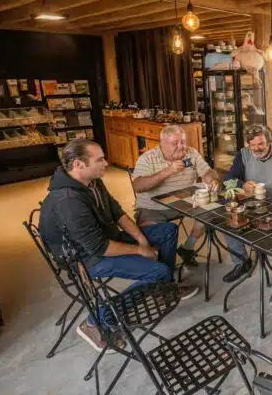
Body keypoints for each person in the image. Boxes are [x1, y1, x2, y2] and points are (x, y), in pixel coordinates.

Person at [39, 139, 199, 353]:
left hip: (105, 240)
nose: (106, 163)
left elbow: (117, 212)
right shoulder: (68, 200)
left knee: (167, 230)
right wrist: (140, 250)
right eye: (100, 160)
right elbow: (99, 247)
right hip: (86, 259)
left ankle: (163, 289)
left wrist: (142, 240)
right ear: (78, 164)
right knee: (158, 271)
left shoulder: (92, 181)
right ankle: (95, 321)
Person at [131, 125, 221, 267]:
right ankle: (161, 269)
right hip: (153, 208)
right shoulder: (147, 158)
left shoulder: (191, 153)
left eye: (183, 142)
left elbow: (207, 172)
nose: (181, 146)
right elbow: (138, 186)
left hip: (184, 202)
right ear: (162, 144)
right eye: (175, 143)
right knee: (156, 234)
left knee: (211, 209)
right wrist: (168, 171)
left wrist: (212, 179)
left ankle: (187, 248)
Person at [221, 125, 272, 282]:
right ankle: (241, 262)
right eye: (253, 145)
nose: (257, 148)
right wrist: (242, 185)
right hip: (252, 202)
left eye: (261, 144)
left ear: (269, 141)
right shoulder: (244, 154)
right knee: (230, 220)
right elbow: (228, 178)